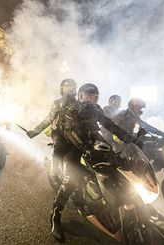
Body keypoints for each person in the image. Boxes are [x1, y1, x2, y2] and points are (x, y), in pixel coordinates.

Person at [50, 83, 133, 243]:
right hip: (73, 144)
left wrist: (129, 138)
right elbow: (70, 131)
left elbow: (109, 125)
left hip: (93, 140)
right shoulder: (73, 109)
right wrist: (83, 146)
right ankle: (55, 216)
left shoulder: (96, 110)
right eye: (87, 96)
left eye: (93, 97)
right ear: (80, 96)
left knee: (116, 162)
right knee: (70, 181)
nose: (90, 100)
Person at [26, 78, 77, 178]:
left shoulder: (78, 103)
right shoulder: (57, 103)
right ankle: (55, 169)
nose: (69, 90)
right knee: (59, 144)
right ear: (62, 90)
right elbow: (48, 119)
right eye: (66, 88)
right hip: (59, 132)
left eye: (71, 87)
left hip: (74, 133)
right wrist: (35, 131)